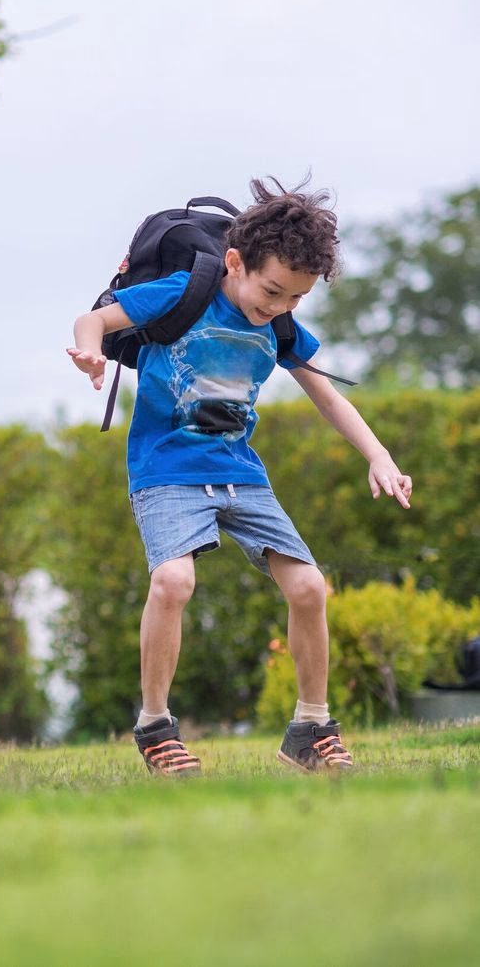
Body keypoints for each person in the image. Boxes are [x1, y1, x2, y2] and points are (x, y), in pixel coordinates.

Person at [69, 178, 413, 775]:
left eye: (296, 298)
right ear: (235, 262)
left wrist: (379, 456)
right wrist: (91, 353)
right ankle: (155, 726)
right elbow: (92, 319)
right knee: (172, 582)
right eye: (272, 290)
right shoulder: (184, 292)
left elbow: (329, 397)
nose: (279, 307)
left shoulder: (279, 326)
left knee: (309, 588)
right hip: (167, 470)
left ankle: (310, 728)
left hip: (240, 474)